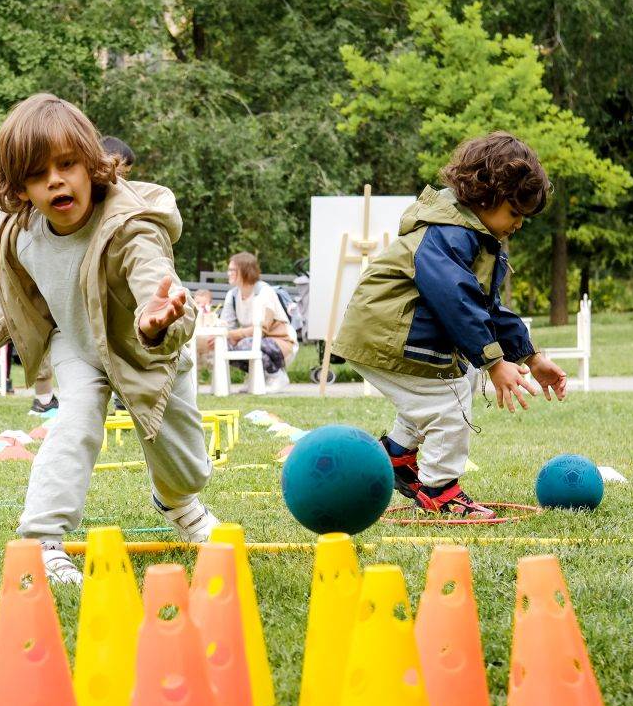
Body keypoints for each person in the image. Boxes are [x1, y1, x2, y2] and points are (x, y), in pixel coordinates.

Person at [0, 93, 218, 584]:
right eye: (37, 174)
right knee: (75, 422)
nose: (55, 181)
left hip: (143, 349)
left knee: (188, 468)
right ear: (21, 187)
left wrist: (156, 319)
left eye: (67, 165)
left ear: (91, 165)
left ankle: (178, 501)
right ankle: (42, 539)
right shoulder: (23, 233)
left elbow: (154, 276)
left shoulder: (131, 226)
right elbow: (15, 289)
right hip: (77, 345)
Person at [333, 132, 568, 518]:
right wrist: (494, 362)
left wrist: (532, 357)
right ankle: (440, 490)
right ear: (486, 195)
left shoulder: (471, 236)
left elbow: (486, 307)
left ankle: (397, 455)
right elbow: (456, 300)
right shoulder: (448, 233)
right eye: (514, 213)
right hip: (387, 334)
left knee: (449, 387)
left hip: (393, 334)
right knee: (449, 400)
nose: (518, 225)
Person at [221, 252, 297, 393]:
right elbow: (226, 325)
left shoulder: (264, 292)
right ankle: (255, 377)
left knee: (245, 344)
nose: (228, 273)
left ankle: (276, 376)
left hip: (281, 341)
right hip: (252, 340)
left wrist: (231, 334)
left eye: (232, 270)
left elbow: (262, 329)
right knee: (222, 346)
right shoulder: (232, 295)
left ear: (245, 270)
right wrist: (221, 336)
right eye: (229, 270)